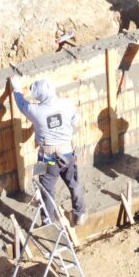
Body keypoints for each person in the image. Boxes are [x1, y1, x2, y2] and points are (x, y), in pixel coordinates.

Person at [10, 76, 88, 226]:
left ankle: (47, 220)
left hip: (46, 158)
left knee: (45, 189)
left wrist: (16, 87)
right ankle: (80, 214)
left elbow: (20, 103)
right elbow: (75, 119)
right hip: (67, 154)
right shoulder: (66, 103)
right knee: (74, 183)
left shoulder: (34, 110)